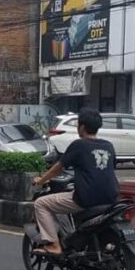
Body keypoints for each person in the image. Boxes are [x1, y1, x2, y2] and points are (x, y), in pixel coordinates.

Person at [31, 108, 119, 255]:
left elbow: (58, 167)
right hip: (110, 197)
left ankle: (53, 244)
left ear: (82, 127)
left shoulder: (79, 145)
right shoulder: (108, 146)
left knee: (41, 203)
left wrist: (41, 180)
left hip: (86, 198)